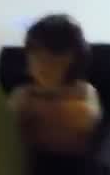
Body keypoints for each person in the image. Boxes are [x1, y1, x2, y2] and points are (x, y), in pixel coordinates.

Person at [10, 16, 100, 157]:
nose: (43, 64)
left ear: (74, 60)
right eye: (36, 56)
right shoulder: (23, 93)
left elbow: (87, 117)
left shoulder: (84, 91)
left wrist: (34, 109)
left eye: (53, 58)